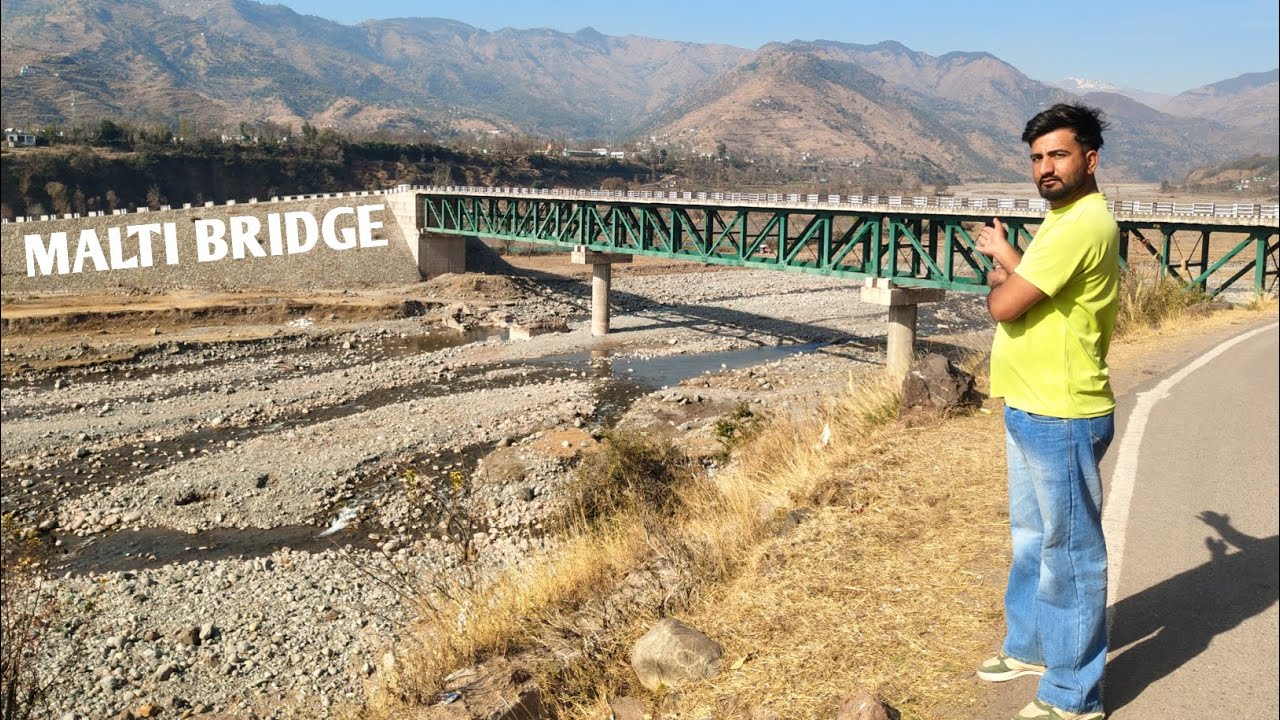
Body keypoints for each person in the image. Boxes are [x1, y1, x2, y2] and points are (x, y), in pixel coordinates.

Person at [972, 103, 1121, 720]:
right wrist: (1010, 257)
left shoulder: (1080, 224)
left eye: (1057, 155)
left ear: (1090, 159)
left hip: (1062, 413)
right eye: (1036, 158)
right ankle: (1032, 646)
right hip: (1032, 406)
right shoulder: (1059, 224)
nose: (1045, 168)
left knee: (1071, 556)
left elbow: (1005, 307)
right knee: (1033, 539)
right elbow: (1037, 285)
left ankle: (1073, 694)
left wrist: (998, 278)